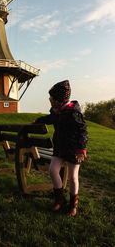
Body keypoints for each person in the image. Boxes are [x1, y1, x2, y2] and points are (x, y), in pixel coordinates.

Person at [33, 80, 88, 216]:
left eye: (51, 97)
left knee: (73, 177)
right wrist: (39, 120)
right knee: (52, 170)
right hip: (59, 148)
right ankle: (60, 199)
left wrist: (81, 149)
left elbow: (83, 131)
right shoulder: (56, 111)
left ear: (59, 100)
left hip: (73, 149)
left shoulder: (73, 113)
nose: (49, 99)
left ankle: (72, 205)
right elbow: (50, 119)